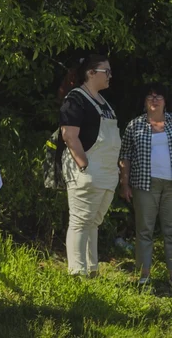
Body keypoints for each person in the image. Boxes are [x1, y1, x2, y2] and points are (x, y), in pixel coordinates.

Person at [59, 55, 120, 276]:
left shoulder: (104, 102)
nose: (111, 75)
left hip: (106, 172)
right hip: (87, 170)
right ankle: (76, 272)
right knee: (80, 220)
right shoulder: (76, 99)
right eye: (107, 71)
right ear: (91, 73)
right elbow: (69, 135)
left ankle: (91, 269)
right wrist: (84, 165)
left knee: (94, 221)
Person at [119, 82, 172, 287]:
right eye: (150, 96)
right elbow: (125, 156)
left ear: (165, 101)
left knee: (170, 230)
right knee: (144, 231)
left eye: (159, 96)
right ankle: (144, 277)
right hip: (143, 184)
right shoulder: (135, 125)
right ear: (144, 101)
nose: (155, 100)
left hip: (170, 186)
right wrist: (125, 183)